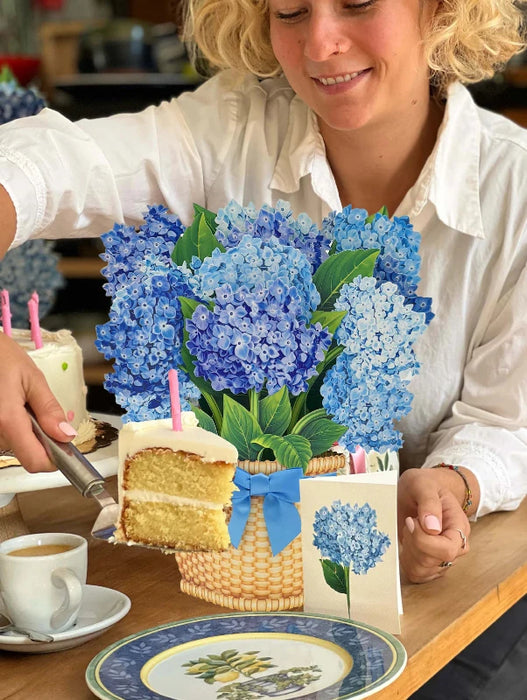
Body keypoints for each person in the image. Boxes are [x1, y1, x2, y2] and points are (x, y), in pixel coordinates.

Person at [0, 0, 526, 605]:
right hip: (229, 581)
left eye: (358, 3)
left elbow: (504, 423)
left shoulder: (515, 191)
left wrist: (451, 483)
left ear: (441, 8)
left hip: (456, 597)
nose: (320, 44)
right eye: (291, 11)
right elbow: (52, 163)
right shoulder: (229, 128)